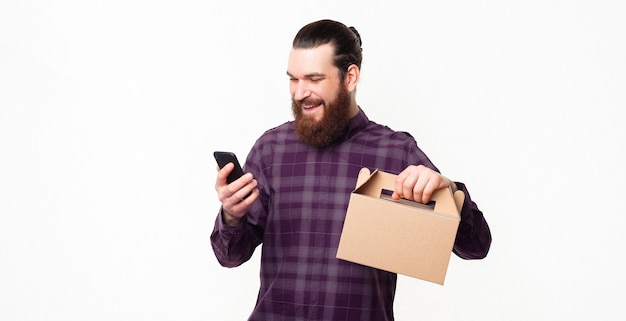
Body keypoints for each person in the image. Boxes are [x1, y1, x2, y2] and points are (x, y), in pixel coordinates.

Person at [211, 19, 492, 321]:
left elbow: (476, 246)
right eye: (293, 79)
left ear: (350, 77)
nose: (300, 92)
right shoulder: (271, 149)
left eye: (314, 79)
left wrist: (446, 190)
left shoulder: (395, 151)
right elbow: (230, 256)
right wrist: (232, 214)